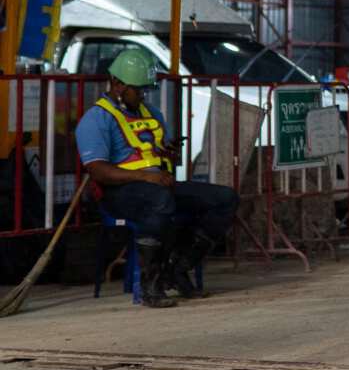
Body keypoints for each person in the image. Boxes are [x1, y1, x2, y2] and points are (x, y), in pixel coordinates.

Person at [74, 47, 238, 308]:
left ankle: (178, 268)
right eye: (136, 89)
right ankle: (151, 283)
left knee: (224, 198)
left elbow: (155, 157)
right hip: (119, 192)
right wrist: (145, 177)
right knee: (160, 201)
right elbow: (97, 170)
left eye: (144, 90)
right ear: (117, 84)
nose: (142, 95)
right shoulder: (95, 120)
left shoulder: (151, 113)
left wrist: (168, 156)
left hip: (155, 187)